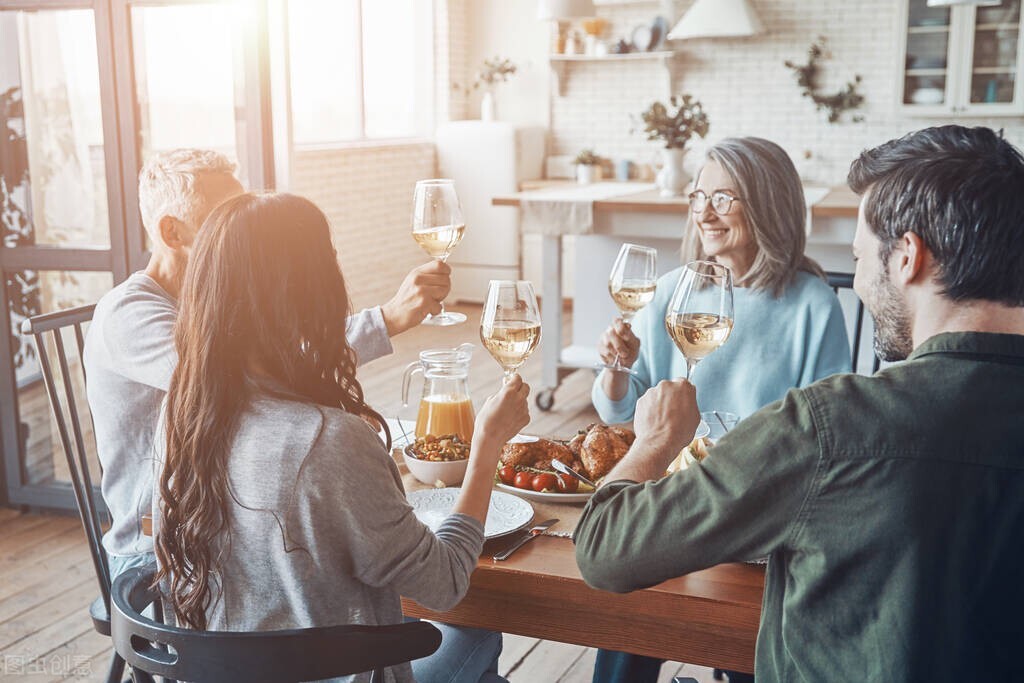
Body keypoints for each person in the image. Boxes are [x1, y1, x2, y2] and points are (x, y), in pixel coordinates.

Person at [574, 125, 1024, 681]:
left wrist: (659, 441)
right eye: (699, 196)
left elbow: (606, 547)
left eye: (861, 259)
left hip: (728, 523)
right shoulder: (679, 294)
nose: (856, 283)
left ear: (907, 257)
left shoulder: (830, 425)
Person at [153, 191, 527, 683]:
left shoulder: (181, 418)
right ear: (310, 291)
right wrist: (487, 446)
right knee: (478, 632)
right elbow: (444, 583)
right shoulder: (330, 441)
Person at [84, 149, 451, 579]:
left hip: (235, 526)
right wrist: (386, 320)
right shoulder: (128, 316)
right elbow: (252, 379)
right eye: (226, 218)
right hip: (162, 556)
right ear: (172, 232)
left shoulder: (218, 306)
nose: (245, 232)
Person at [591, 137, 851, 682]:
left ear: (766, 204)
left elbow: (828, 436)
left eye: (724, 198)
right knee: (628, 617)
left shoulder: (812, 306)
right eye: (698, 196)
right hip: (672, 498)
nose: (705, 212)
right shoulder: (669, 292)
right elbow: (621, 415)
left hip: (758, 511)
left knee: (742, 637)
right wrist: (617, 368)